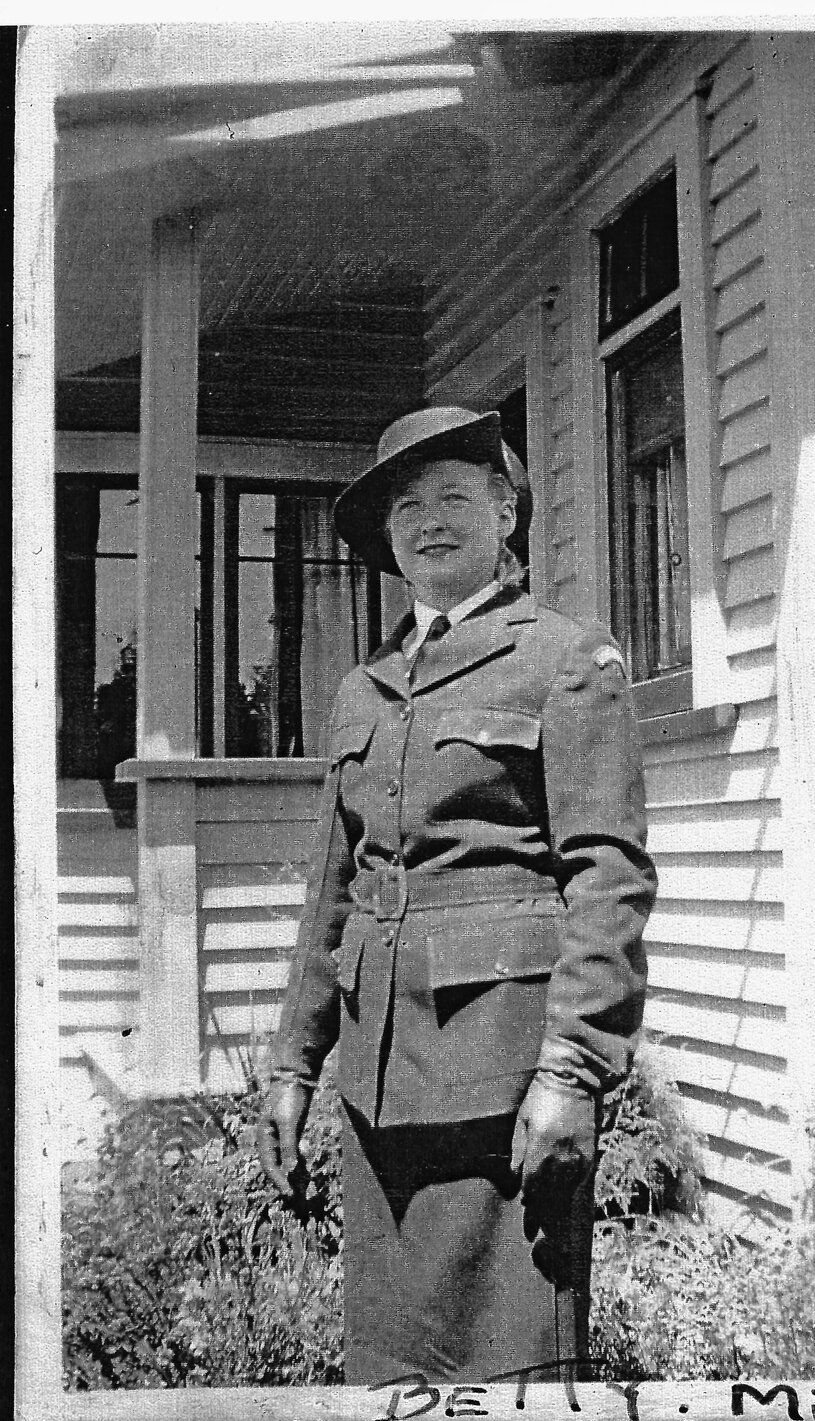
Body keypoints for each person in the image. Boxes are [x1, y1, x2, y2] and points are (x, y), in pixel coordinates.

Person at [257, 405, 656, 1385]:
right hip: (376, 1093)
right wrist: (293, 1064)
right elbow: (332, 892)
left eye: (451, 495)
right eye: (405, 506)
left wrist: (572, 1070)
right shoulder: (363, 687)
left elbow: (608, 873)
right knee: (392, 1370)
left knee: (510, 1370)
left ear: (507, 510)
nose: (427, 521)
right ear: (387, 539)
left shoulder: (564, 657)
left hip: (505, 1082)